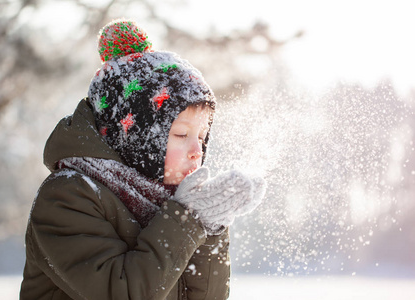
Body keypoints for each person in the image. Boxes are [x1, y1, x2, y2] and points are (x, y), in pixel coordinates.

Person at [20, 19, 266, 300]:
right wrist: (186, 220)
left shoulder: (170, 203)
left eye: (202, 136)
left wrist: (209, 229)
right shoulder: (67, 197)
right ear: (136, 136)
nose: (197, 150)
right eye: (181, 134)